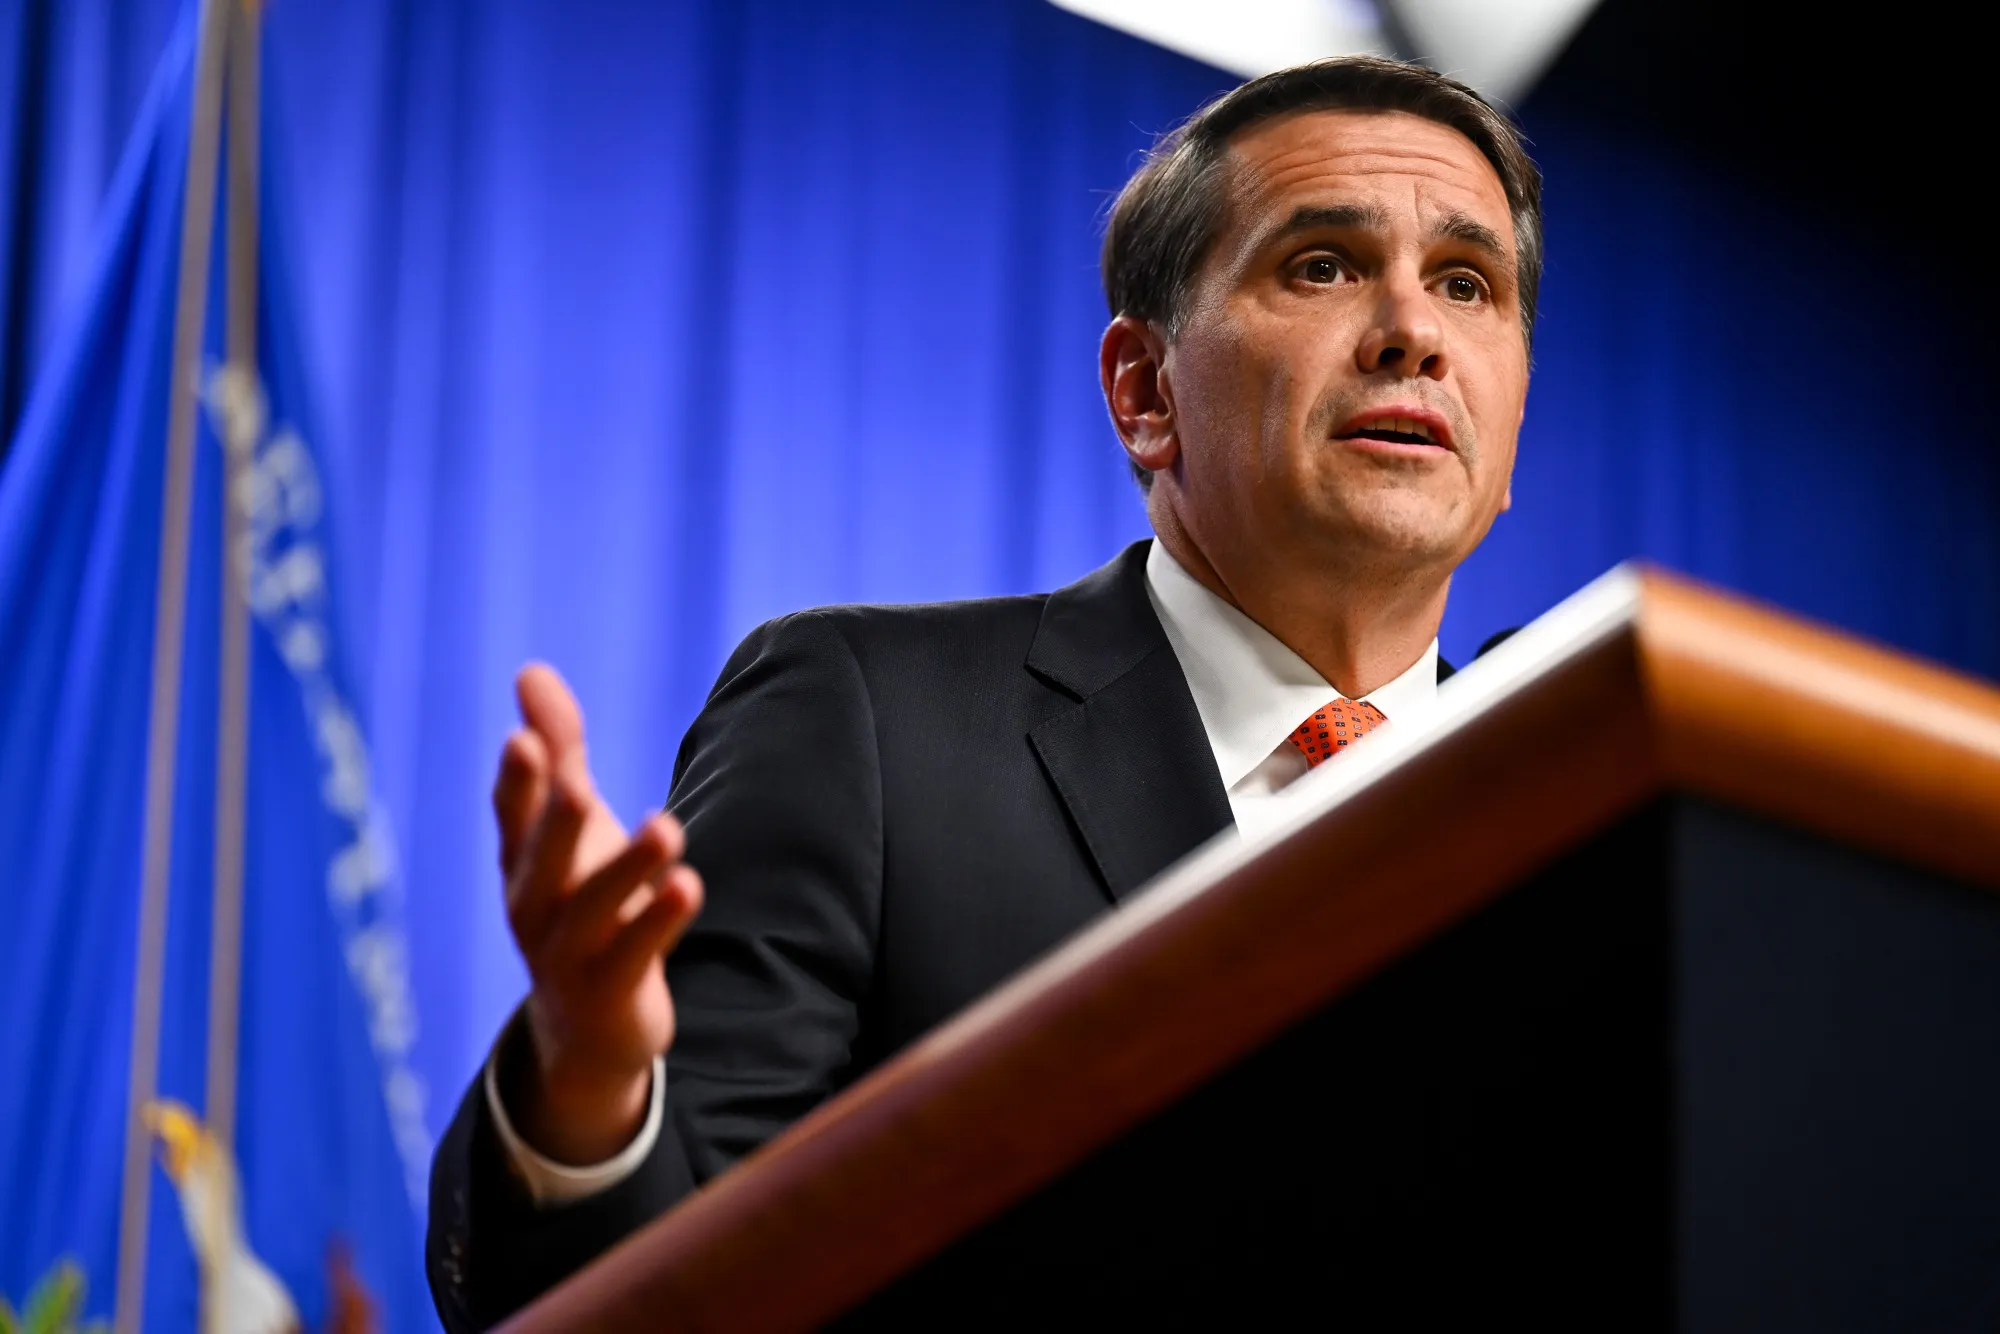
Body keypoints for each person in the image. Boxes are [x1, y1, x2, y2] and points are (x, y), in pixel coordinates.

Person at [426, 54, 1539, 1332]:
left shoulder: (1566, 795)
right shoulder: (868, 725)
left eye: (1467, 284)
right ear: (1143, 392)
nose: (1413, 330)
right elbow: (653, 1291)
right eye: (1323, 264)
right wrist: (589, 1086)